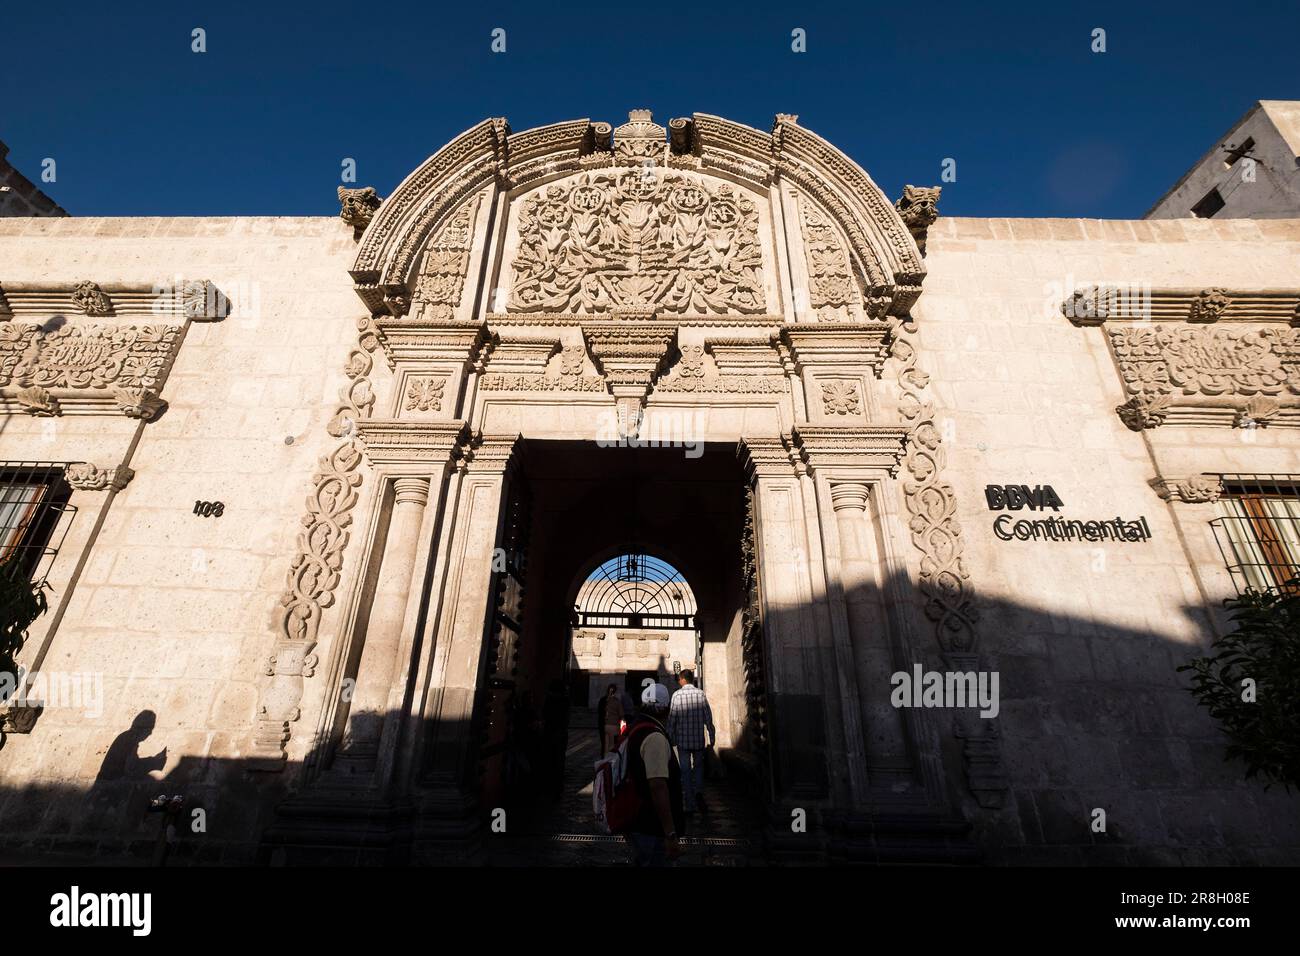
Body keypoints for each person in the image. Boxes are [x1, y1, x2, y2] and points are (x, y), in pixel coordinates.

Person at [622, 682, 685, 866]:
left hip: (637, 819)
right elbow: (657, 785)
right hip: (651, 825)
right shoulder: (654, 736)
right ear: (666, 709)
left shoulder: (636, 727)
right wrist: (670, 833)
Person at [667, 670, 715, 815]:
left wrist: (669, 737)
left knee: (685, 772)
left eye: (679, 679)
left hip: (683, 741)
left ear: (682, 679)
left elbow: (672, 719)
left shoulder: (676, 695)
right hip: (698, 741)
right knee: (699, 769)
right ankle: (699, 792)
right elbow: (708, 717)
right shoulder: (700, 694)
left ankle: (689, 804)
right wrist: (711, 737)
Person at [599, 683, 623, 752]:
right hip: (614, 725)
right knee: (612, 745)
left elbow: (600, 712)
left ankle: (604, 759)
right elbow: (621, 714)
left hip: (605, 725)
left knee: (605, 745)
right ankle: (611, 760)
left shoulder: (603, 700)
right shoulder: (616, 701)